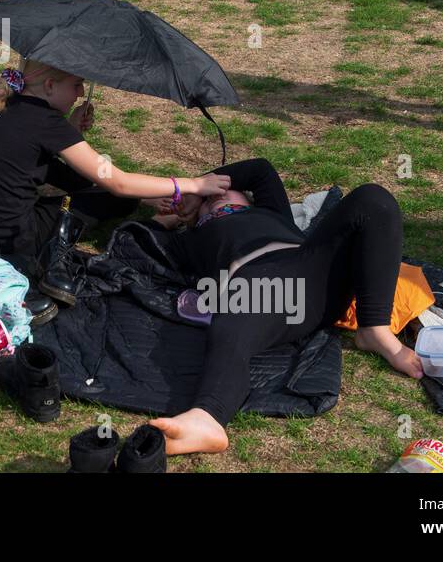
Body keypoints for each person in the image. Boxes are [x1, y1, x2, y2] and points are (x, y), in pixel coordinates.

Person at [145, 158, 422, 456]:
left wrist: (198, 186)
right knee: (229, 327)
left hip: (312, 272)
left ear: (246, 197)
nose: (216, 196)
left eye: (225, 190)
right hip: (258, 292)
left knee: (373, 198)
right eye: (209, 202)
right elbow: (141, 236)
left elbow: (260, 170)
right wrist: (171, 216)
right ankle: (207, 418)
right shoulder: (191, 239)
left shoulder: (272, 211)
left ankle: (374, 330)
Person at [0, 60, 232, 323]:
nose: (81, 93)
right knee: (116, 198)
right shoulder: (46, 123)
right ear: (49, 86)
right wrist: (192, 184)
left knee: (115, 194)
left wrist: (71, 131)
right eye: (76, 84)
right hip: (9, 240)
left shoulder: (0, 102)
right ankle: (51, 258)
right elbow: (117, 182)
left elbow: (45, 166)